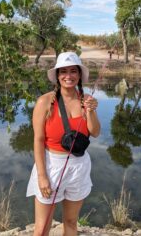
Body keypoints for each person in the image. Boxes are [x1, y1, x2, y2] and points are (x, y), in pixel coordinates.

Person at [26, 51, 101, 236]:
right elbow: (38, 140)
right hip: (52, 166)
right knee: (42, 228)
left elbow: (95, 132)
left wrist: (90, 111)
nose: (68, 76)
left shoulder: (86, 100)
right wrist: (42, 176)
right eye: (63, 71)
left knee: (71, 222)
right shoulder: (44, 102)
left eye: (73, 71)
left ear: (79, 75)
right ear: (57, 76)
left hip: (79, 166)